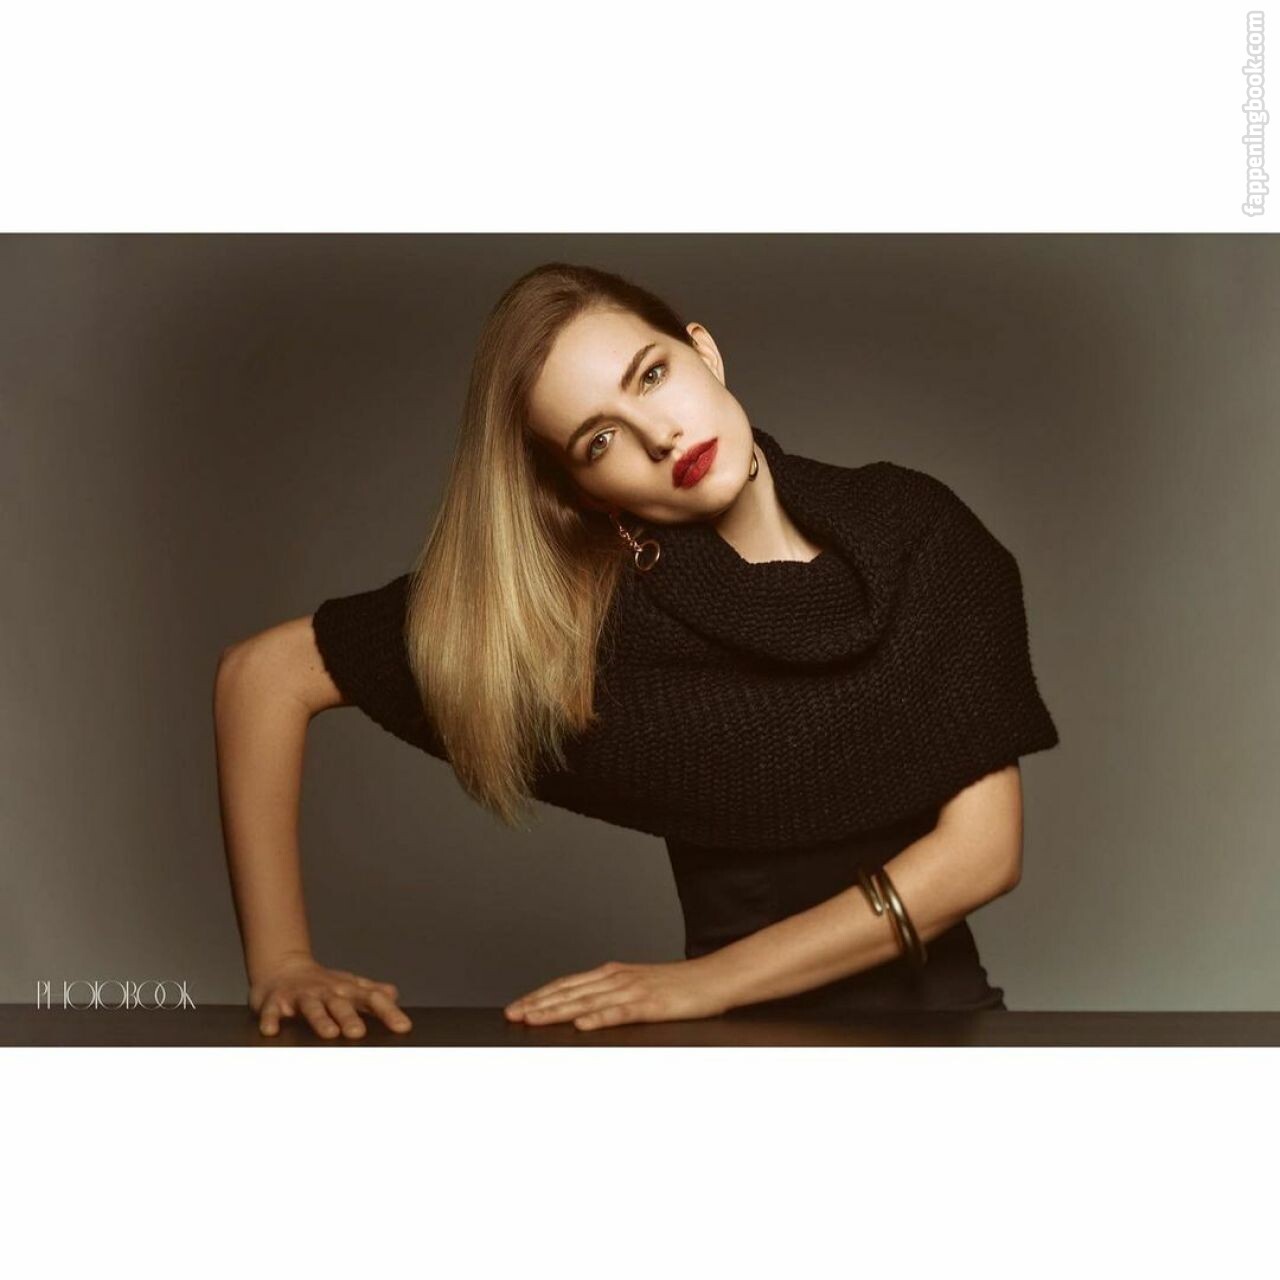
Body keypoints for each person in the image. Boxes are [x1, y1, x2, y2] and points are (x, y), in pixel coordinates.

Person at [214, 261, 1060, 1040]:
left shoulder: (917, 533)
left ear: (704, 352)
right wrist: (283, 963)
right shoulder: (583, 617)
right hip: (726, 1053)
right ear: (583, 492)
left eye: (651, 375)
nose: (658, 435)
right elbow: (265, 674)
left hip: (942, 1036)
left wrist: (704, 983)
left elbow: (981, 856)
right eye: (600, 440)